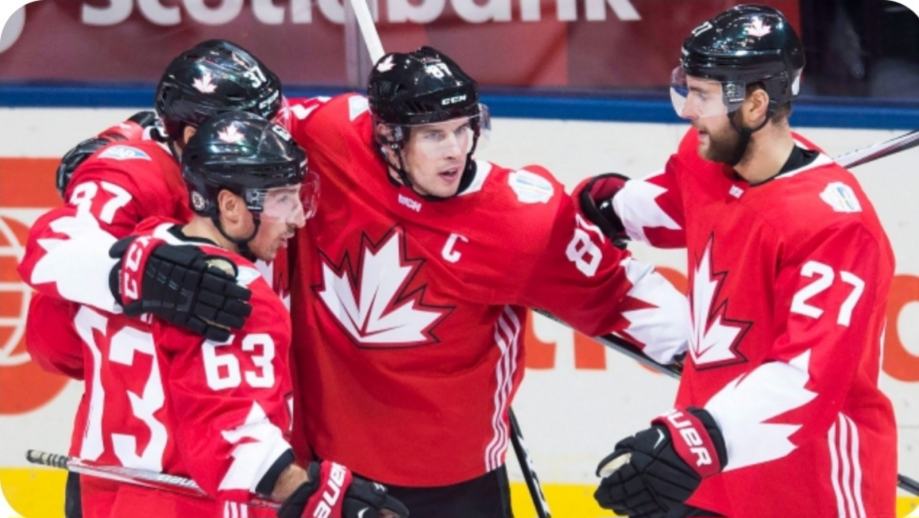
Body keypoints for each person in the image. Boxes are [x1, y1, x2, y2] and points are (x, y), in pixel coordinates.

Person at [31, 46, 692, 515]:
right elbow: (207, 140)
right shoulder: (287, 159)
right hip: (303, 471)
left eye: (461, 130)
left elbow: (621, 297)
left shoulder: (517, 217)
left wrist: (716, 390)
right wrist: (121, 146)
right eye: (431, 134)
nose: (454, 149)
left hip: (443, 480)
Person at [580, 5, 897, 517]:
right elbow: (668, 206)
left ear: (754, 105)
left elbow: (807, 379)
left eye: (702, 95)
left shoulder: (838, 229)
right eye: (687, 89)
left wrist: (695, 439)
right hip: (713, 477)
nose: (686, 110)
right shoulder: (709, 161)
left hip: (810, 488)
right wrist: (600, 206)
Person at [65, 110, 405, 518]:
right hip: (187, 508)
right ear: (229, 205)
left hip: (102, 500)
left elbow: (54, 347)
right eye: (283, 199)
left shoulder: (133, 258)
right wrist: (320, 495)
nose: (298, 218)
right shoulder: (231, 293)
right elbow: (233, 439)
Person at [19, 39, 291, 517]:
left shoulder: (233, 158)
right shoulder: (134, 172)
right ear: (191, 133)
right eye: (249, 125)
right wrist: (144, 272)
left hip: (224, 438)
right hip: (142, 465)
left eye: (270, 122)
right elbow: (50, 249)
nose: (265, 138)